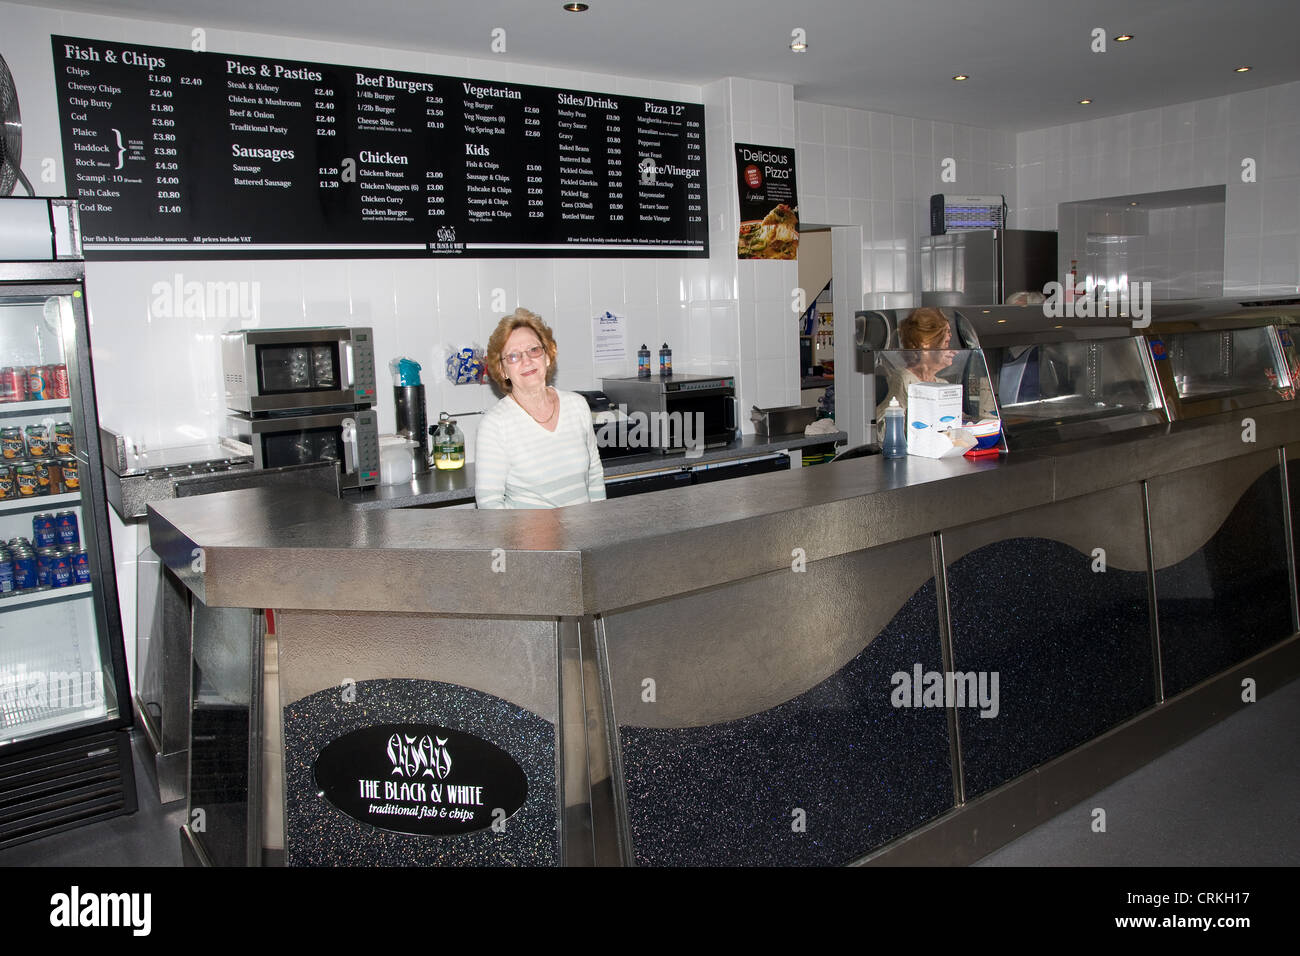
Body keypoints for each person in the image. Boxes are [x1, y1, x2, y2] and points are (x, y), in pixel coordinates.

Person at [475, 308, 606, 509]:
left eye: (534, 350)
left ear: (547, 356)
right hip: (531, 540)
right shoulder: (495, 425)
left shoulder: (577, 405)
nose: (527, 361)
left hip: (584, 537)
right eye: (513, 356)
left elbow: (594, 474)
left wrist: (597, 528)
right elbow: (489, 504)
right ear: (502, 370)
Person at [875, 307, 957, 439]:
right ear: (925, 344)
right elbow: (886, 431)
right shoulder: (903, 379)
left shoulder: (943, 384)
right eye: (946, 343)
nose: (955, 351)